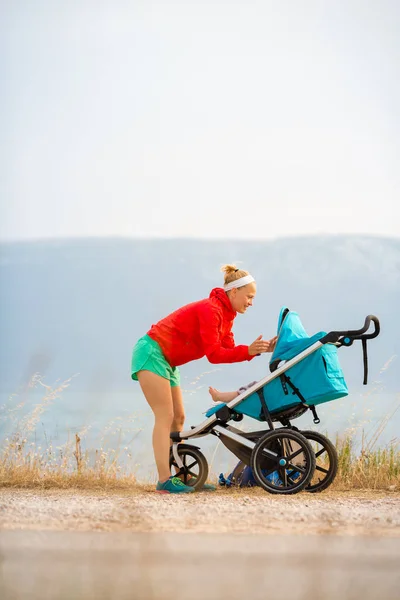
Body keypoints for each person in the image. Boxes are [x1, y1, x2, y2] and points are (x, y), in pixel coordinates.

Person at [131, 264, 277, 494]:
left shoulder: (227, 316)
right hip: (152, 352)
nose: (251, 302)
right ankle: (164, 481)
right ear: (234, 292)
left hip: (167, 360)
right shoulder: (212, 310)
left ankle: (180, 476)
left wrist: (260, 349)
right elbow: (214, 355)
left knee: (178, 417)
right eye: (249, 296)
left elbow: (228, 349)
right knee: (165, 415)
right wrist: (248, 351)